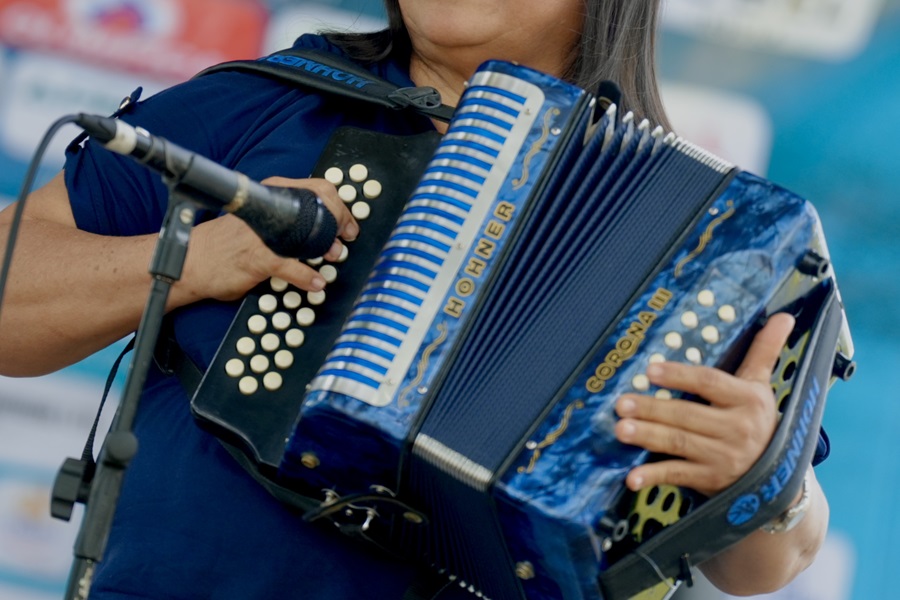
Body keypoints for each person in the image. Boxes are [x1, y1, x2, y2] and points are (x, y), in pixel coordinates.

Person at [0, 0, 829, 598]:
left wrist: (763, 471)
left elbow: (770, 564)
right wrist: (192, 259)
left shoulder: (698, 233)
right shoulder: (268, 103)